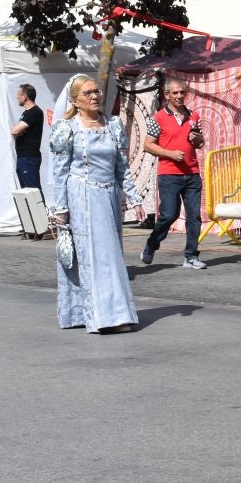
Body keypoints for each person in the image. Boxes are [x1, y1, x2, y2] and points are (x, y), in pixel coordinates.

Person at [49, 75, 139, 332]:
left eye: (96, 91)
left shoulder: (113, 125)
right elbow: (60, 173)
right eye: (87, 93)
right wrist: (61, 208)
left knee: (111, 255)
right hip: (82, 196)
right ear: (75, 100)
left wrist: (134, 197)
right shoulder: (67, 128)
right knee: (94, 256)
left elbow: (122, 167)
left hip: (108, 196)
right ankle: (105, 317)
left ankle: (107, 312)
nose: (94, 96)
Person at [139, 75, 207, 271]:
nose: (179, 96)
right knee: (169, 214)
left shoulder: (194, 116)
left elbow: (200, 143)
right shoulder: (158, 118)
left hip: (192, 173)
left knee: (194, 217)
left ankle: (191, 256)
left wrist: (197, 140)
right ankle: (152, 243)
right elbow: (148, 145)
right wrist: (170, 153)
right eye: (175, 93)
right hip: (169, 174)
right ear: (167, 94)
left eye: (182, 92)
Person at [11, 83, 45, 191]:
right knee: (26, 192)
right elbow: (15, 131)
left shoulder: (35, 112)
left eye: (18, 95)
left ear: (25, 96)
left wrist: (17, 130)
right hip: (23, 157)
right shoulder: (26, 113)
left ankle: (39, 204)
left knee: (32, 191)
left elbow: (14, 130)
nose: (17, 97)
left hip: (29, 158)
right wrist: (17, 131)